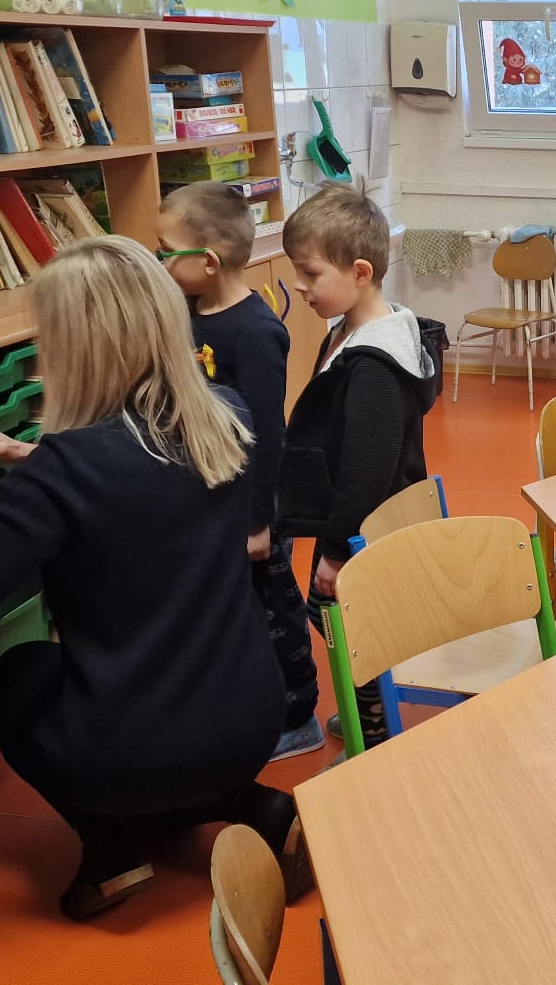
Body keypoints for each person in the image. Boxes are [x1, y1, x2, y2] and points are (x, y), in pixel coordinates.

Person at [0, 238, 305, 922]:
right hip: (254, 718)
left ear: (73, 347)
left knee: (18, 675)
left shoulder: (65, 472)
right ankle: (246, 800)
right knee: (171, 703)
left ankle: (109, 848)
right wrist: (27, 455)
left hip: (132, 751)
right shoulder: (226, 415)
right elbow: (137, 477)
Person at [161, 183, 322, 761]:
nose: (160, 263)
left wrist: (258, 522)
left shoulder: (255, 331)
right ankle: (239, 701)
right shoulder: (187, 313)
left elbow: (268, 436)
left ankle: (299, 715)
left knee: (274, 607)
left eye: (166, 252)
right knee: (231, 607)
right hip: (208, 498)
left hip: (252, 508)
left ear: (207, 261)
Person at [276, 187, 437, 751]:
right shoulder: (352, 329)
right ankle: (370, 711)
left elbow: (367, 469)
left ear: (360, 272)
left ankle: (374, 736)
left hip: (359, 530)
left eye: (310, 273)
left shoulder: (374, 365)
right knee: (340, 619)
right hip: (350, 524)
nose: (300, 286)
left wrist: (338, 554)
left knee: (348, 625)